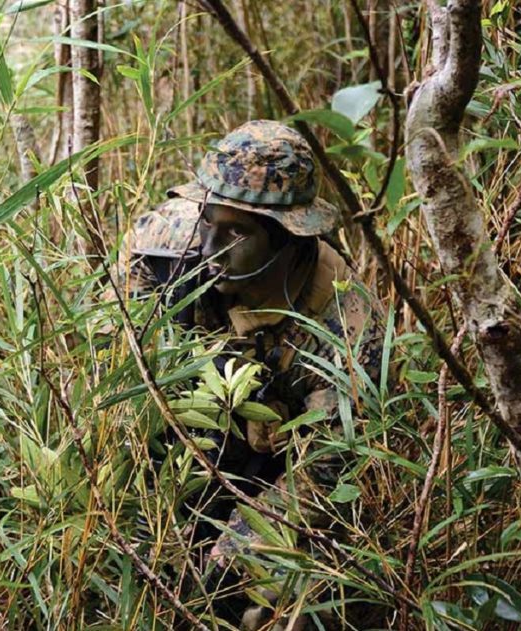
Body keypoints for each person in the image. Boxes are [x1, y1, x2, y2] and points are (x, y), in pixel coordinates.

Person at [128, 120, 385, 629]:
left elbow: (321, 474)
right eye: (208, 221)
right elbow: (126, 347)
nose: (210, 246)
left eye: (237, 233)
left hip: (281, 470)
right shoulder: (168, 243)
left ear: (287, 239)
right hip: (190, 438)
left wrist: (227, 564)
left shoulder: (347, 325)